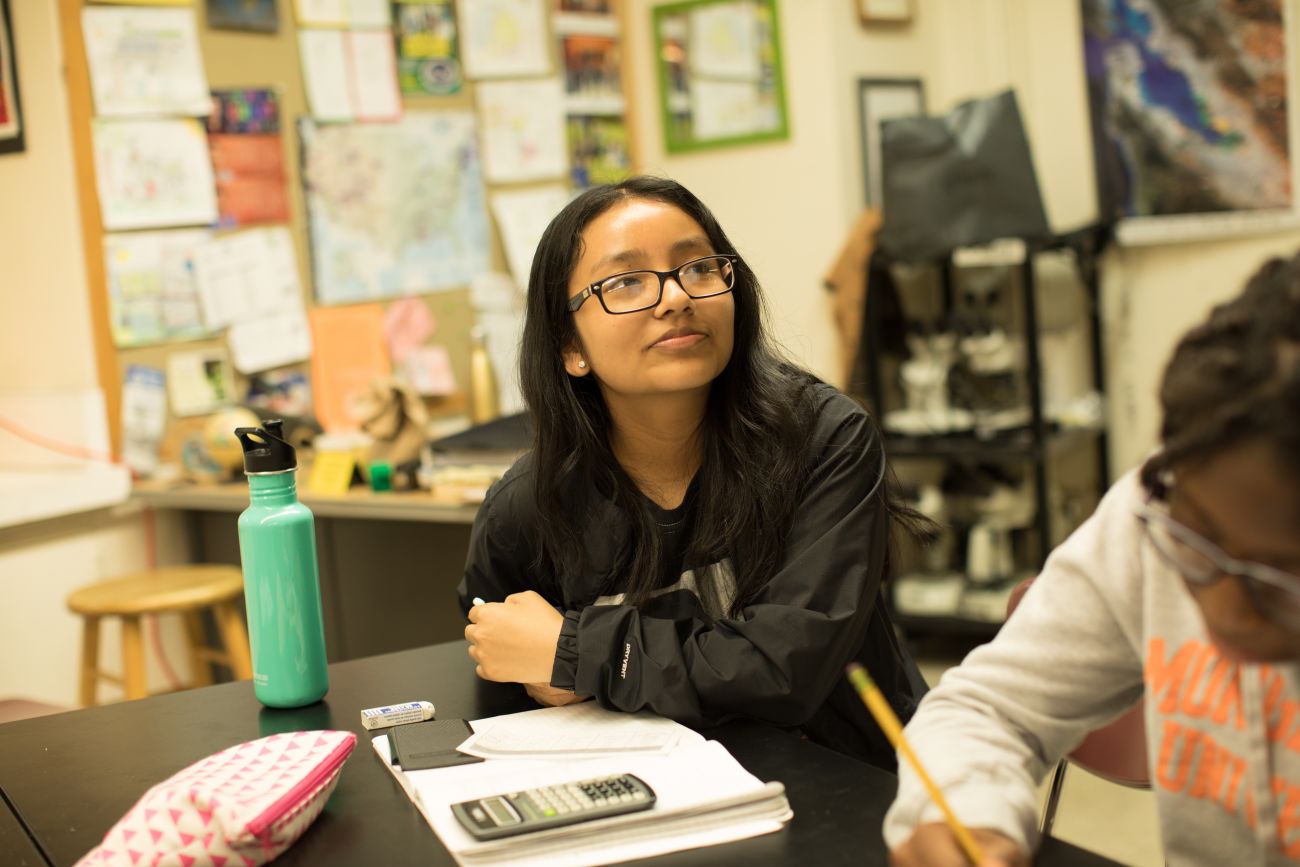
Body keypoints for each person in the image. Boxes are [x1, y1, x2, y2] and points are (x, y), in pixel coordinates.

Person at [458, 175, 930, 769]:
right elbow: (505, 661)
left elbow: (785, 670)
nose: (675, 296)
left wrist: (576, 653)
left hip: (842, 781)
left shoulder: (825, 441)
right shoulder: (526, 508)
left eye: (698, 268)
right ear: (569, 346)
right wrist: (552, 663)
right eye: (626, 281)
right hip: (648, 792)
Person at [885, 254, 1300, 865]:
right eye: (1196, 545)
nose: (1226, 609)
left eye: (1277, 580)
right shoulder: (1153, 511)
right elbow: (991, 709)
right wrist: (971, 815)